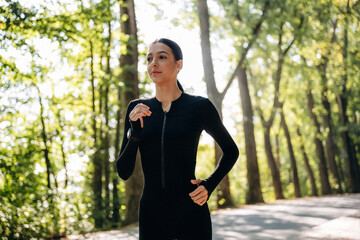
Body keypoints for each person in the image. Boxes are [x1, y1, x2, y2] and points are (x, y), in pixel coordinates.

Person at [116, 38, 239, 239]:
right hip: (152, 213)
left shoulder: (199, 107)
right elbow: (123, 171)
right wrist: (135, 135)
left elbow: (231, 151)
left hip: (191, 208)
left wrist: (209, 185)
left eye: (162, 57)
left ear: (178, 64)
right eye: (149, 59)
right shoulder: (136, 109)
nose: (153, 63)